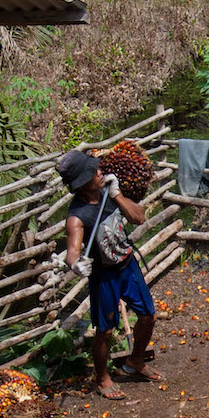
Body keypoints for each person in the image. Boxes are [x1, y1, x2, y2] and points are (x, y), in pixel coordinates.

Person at [59, 148, 158, 398]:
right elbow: (72, 250)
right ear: (82, 183)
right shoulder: (77, 216)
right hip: (104, 276)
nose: (100, 172)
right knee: (104, 330)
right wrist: (75, 265)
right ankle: (102, 378)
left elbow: (139, 217)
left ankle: (135, 360)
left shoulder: (108, 192)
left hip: (127, 265)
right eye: (95, 172)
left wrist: (117, 195)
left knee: (148, 316)